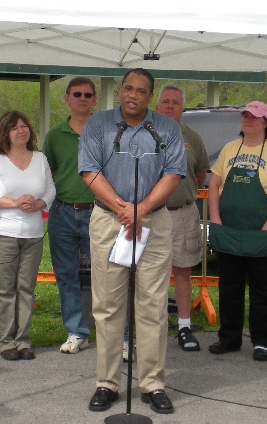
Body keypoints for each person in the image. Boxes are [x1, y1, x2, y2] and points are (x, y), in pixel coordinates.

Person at [79, 68, 186, 415]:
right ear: (120, 90)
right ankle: (107, 382)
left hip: (153, 222)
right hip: (110, 220)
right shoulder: (98, 126)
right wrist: (124, 209)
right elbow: (89, 171)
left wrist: (142, 209)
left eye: (141, 91)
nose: (133, 95)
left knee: (152, 305)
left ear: (149, 96)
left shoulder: (166, 128)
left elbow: (173, 173)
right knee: (108, 305)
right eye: (128, 88)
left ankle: (152, 383)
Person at [206, 101, 267, 361]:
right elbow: (214, 184)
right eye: (245, 115)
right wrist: (215, 218)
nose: (248, 120)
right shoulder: (230, 149)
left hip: (265, 233)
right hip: (230, 230)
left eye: (254, 117)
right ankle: (229, 338)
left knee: (264, 289)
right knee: (229, 288)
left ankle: (262, 341)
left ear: (265, 123)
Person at [0, 110, 55, 361]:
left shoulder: (40, 158)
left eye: (24, 126)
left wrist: (39, 204)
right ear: (5, 133)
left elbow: (51, 189)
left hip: (32, 235)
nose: (21, 131)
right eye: (15, 128)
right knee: (4, 290)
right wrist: (13, 202)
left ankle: (23, 341)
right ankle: (6, 341)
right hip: (3, 234)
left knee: (26, 289)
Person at [43, 77, 97, 354]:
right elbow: (47, 173)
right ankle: (77, 332)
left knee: (108, 277)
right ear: (66, 98)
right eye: (77, 94)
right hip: (62, 212)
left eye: (88, 94)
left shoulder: (105, 133)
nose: (82, 98)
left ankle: (120, 335)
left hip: (98, 212)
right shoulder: (54, 136)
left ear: (95, 100)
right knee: (66, 275)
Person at [155, 85, 209, 351]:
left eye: (175, 102)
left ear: (182, 108)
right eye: (165, 102)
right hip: (152, 215)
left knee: (183, 271)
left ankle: (185, 327)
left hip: (183, 213)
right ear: (157, 106)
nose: (170, 106)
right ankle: (155, 327)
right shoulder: (144, 133)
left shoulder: (193, 137)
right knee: (151, 274)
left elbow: (199, 174)